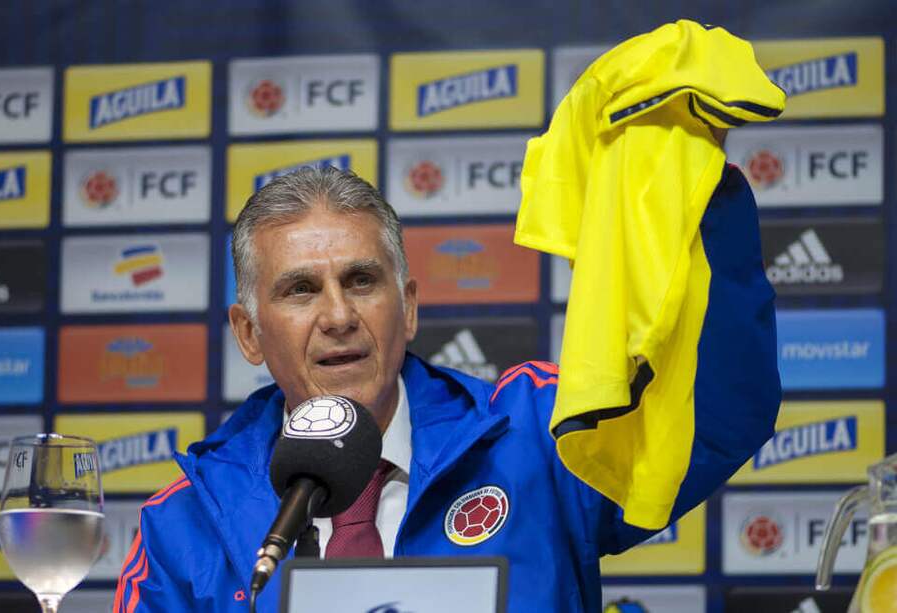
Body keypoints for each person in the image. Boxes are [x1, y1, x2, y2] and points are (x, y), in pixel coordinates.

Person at [113, 165, 780, 613]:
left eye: (362, 280)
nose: (339, 314)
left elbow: (714, 408)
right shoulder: (184, 522)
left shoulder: (536, 436)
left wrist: (693, 180)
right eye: (300, 290)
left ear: (407, 308)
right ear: (250, 333)